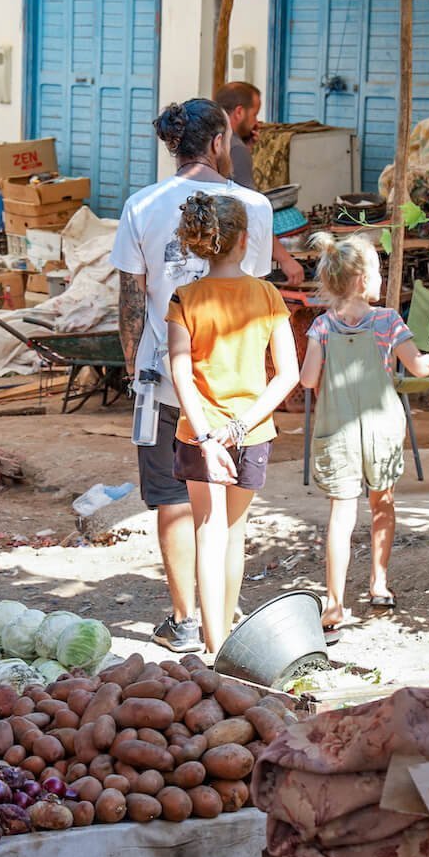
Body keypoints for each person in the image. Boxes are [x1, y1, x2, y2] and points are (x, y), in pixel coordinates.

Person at [110, 99, 274, 653]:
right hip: (237, 391)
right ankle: (222, 623)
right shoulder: (252, 206)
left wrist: (137, 371)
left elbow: (131, 299)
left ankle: (186, 619)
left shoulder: (142, 204)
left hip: (165, 378)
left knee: (174, 502)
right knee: (228, 519)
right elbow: (253, 296)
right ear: (220, 141)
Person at [300, 233, 429, 634]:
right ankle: (379, 583)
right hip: (381, 431)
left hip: (336, 433)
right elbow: (421, 368)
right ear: (362, 279)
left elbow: (309, 380)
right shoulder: (387, 321)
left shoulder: (321, 327)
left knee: (340, 516)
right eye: (377, 270)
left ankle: (334, 603)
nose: (380, 278)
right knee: (383, 506)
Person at [167, 192, 299, 655]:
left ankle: (212, 642)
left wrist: (206, 437)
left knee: (207, 530)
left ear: (201, 242)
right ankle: (225, 644)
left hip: (198, 430)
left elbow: (180, 371)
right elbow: (288, 375)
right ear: (245, 240)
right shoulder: (267, 294)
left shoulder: (185, 297)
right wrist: (241, 426)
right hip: (252, 430)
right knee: (235, 533)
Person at [214, 81, 305, 288]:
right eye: (254, 114)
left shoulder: (215, 140)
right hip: (233, 259)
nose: (257, 122)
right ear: (239, 112)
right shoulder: (235, 148)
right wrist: (285, 259)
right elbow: (252, 213)